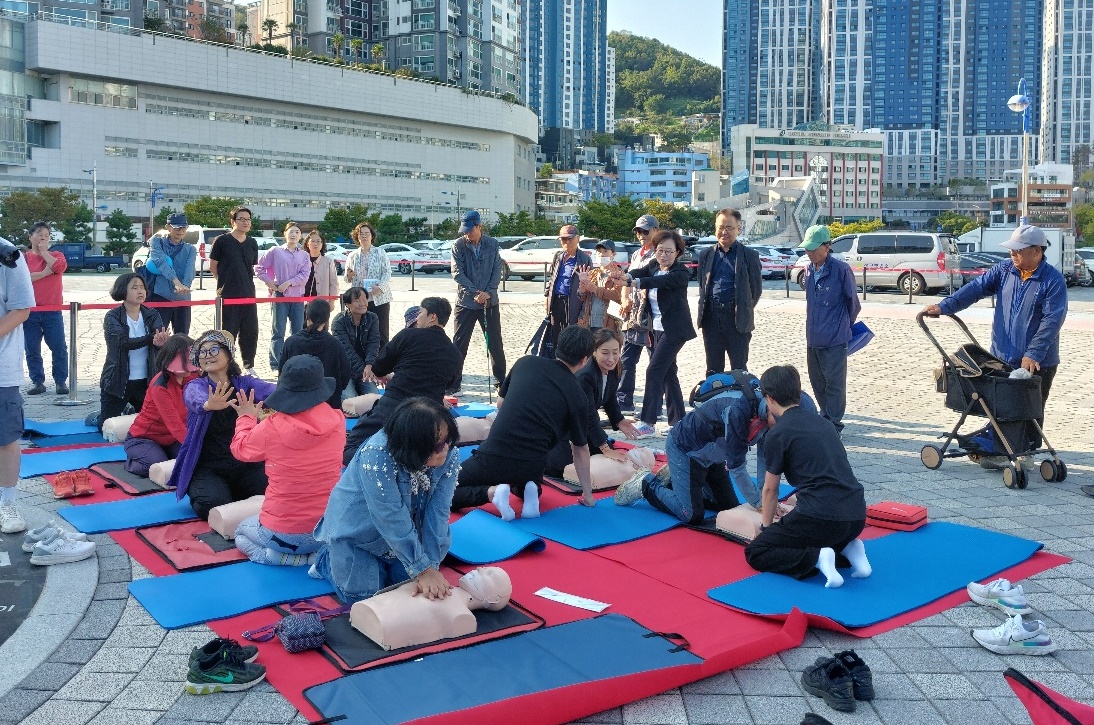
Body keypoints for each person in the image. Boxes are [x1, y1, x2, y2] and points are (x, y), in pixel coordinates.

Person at [925, 224, 1068, 467]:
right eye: (1011, 251)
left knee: (1030, 408)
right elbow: (974, 289)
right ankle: (1000, 450)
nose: (1012, 255)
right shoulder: (1004, 270)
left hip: (1038, 360)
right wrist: (944, 307)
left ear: (1036, 251)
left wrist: (1033, 353)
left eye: (1018, 251)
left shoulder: (1052, 280)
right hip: (1002, 355)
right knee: (1001, 405)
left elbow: (1052, 320)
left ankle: (1025, 452)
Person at [313, 397, 461, 604]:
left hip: (405, 530)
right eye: (437, 445)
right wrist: (422, 569)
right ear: (414, 446)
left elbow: (439, 512)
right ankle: (326, 558)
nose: (445, 449)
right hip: (358, 533)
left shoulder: (449, 452)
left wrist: (430, 567)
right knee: (363, 598)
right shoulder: (377, 454)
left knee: (411, 593)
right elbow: (389, 515)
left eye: (448, 441)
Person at [617, 371, 817, 523]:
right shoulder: (739, 410)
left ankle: (678, 483)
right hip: (687, 451)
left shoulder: (776, 410)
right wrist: (759, 502)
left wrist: (767, 498)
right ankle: (646, 484)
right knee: (691, 514)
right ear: (771, 401)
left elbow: (766, 459)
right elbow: (737, 467)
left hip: (713, 459)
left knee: (729, 508)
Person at [743, 365, 870, 589]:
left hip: (821, 518)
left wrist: (766, 529)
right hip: (856, 515)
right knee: (814, 532)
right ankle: (850, 551)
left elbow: (770, 490)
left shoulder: (778, 433)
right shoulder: (825, 424)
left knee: (757, 551)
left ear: (769, 399)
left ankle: (819, 559)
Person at [452, 326, 597, 518]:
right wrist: (587, 494)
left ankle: (492, 493)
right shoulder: (578, 397)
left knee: (445, 492)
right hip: (533, 464)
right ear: (584, 360)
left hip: (494, 455)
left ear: (558, 347)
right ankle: (530, 489)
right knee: (526, 478)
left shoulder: (526, 363)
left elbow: (500, 403)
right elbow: (580, 449)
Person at [229, 354, 345, 566]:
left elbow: (240, 449)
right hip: (326, 529)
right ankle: (314, 557)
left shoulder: (271, 426)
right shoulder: (338, 420)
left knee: (241, 533)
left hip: (282, 534)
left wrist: (245, 418)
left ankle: (278, 558)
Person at [168, 330, 273, 519]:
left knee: (273, 491)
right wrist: (209, 405)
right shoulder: (197, 386)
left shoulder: (245, 384)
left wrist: (297, 392)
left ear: (229, 354)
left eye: (214, 349)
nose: (208, 355)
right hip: (209, 467)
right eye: (203, 352)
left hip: (245, 464)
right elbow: (194, 399)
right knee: (214, 503)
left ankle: (237, 493)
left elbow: (272, 392)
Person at [343, 297, 462, 464]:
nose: (418, 317)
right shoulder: (454, 353)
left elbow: (379, 367)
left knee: (352, 448)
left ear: (432, 317)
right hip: (429, 415)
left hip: (394, 405)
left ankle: (382, 466)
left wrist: (391, 374)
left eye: (420, 312)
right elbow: (451, 385)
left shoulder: (409, 335)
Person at [612, 229, 696, 434]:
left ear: (677, 252)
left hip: (675, 330)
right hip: (655, 328)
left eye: (669, 251)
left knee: (654, 369)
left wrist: (634, 282)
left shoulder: (681, 272)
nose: (664, 255)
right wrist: (627, 275)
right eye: (660, 251)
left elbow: (660, 282)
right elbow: (640, 272)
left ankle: (648, 422)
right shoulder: (652, 266)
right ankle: (679, 422)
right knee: (668, 373)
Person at [544, 328, 638, 476]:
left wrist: (618, 420)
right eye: (605, 353)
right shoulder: (585, 375)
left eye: (615, 352)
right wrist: (604, 448)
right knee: (560, 467)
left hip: (582, 426)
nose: (611, 358)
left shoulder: (615, 368)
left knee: (612, 460)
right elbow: (588, 415)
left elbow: (610, 397)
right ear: (594, 352)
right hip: (563, 426)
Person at [351, 567, 512, 650]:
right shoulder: (437, 585)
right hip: (368, 611)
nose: (479, 570)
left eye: (489, 575)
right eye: (485, 569)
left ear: (494, 599)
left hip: (380, 625)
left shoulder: (463, 616)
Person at [798, 224, 861, 435]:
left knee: (834, 384)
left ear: (827, 247)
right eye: (807, 248)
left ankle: (834, 424)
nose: (810, 253)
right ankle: (825, 417)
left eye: (814, 248)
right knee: (817, 381)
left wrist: (842, 326)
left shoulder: (841, 270)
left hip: (835, 337)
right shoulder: (807, 270)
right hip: (813, 336)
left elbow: (854, 304)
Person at [88, 273, 169, 430]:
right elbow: (122, 343)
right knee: (104, 428)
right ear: (122, 291)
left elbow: (159, 341)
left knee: (152, 427)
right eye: (134, 288)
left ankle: (130, 410)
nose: (140, 291)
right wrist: (150, 338)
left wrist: (161, 344)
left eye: (142, 288)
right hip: (117, 381)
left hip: (146, 380)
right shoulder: (113, 316)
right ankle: (97, 416)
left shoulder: (152, 314)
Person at [696, 208, 763, 374]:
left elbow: (755, 290)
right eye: (720, 227)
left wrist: (742, 306)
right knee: (713, 368)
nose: (724, 232)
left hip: (737, 318)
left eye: (729, 228)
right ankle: (714, 398)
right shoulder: (706, 255)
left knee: (739, 369)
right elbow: (702, 285)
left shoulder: (749, 255)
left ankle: (740, 399)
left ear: (738, 229)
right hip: (711, 317)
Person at [123, 334, 199, 476]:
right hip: (143, 438)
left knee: (191, 462)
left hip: (171, 440)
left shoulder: (193, 375)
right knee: (156, 465)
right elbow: (175, 426)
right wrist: (195, 446)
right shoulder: (160, 387)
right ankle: (131, 462)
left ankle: (166, 454)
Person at [449, 210, 506, 393]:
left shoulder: (493, 244)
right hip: (465, 302)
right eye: (464, 230)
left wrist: (488, 293)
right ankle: (453, 383)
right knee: (458, 344)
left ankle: (500, 382)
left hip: (489, 302)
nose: (467, 234)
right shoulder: (458, 245)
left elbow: (497, 270)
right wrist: (474, 292)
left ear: (479, 226)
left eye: (470, 229)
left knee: (495, 343)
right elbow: (457, 273)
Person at [0, 237, 34, 533]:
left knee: (6, 438)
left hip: (2, 368)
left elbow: (22, 309)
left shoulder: (8, 256)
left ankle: (7, 502)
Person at [617, 214, 660, 413]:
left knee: (656, 363)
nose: (641, 235)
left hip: (652, 316)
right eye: (638, 231)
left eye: (645, 231)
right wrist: (625, 298)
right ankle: (624, 400)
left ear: (655, 231)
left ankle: (655, 405)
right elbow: (627, 281)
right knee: (626, 359)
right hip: (633, 315)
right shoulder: (635, 255)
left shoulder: (660, 254)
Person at [209, 207, 260, 375]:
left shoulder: (252, 243)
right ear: (233, 221)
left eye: (248, 219)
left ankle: (249, 365)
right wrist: (224, 283)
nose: (245, 222)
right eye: (241, 219)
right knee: (227, 332)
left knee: (250, 332)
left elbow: (251, 266)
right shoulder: (222, 241)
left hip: (248, 294)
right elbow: (213, 266)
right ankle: (226, 365)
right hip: (228, 296)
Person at [255, 222, 311, 372]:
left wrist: (289, 283)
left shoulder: (304, 255)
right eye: (290, 231)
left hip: (297, 297)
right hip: (279, 296)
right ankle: (276, 364)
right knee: (278, 331)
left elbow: (305, 275)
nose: (293, 235)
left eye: (297, 232)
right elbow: (259, 268)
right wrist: (270, 283)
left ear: (301, 236)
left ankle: (296, 362)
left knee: (298, 332)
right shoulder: (275, 251)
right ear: (284, 234)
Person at [22, 221, 69, 396]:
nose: (43, 237)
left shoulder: (56, 254)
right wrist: (43, 274)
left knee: (58, 347)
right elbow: (24, 278)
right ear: (30, 236)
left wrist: (44, 253)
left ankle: (60, 381)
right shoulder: (23, 258)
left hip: (52, 309)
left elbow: (59, 268)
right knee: (32, 347)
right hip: (30, 310)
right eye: (39, 233)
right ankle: (37, 381)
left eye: (47, 235)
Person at [281, 299, 351, 410]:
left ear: (307, 316)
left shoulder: (291, 342)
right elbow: (345, 374)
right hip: (328, 405)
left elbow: (282, 374)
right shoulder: (335, 344)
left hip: (296, 405)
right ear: (327, 319)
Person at [543, 224, 592, 356]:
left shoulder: (584, 259)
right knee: (555, 336)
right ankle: (555, 364)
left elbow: (588, 290)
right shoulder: (558, 256)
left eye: (570, 238)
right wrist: (547, 299)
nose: (566, 242)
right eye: (563, 239)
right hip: (556, 301)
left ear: (578, 239)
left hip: (573, 303)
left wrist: (582, 314)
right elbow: (552, 279)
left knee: (570, 337)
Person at [146, 212, 197, 335]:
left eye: (184, 227)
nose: (181, 230)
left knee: (182, 337)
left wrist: (185, 286)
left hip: (183, 298)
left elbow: (190, 269)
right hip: (161, 295)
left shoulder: (190, 249)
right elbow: (161, 262)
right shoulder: (156, 242)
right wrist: (176, 282)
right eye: (177, 227)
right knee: (158, 336)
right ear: (168, 227)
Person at [344, 222, 393, 345]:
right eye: (361, 234)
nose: (364, 237)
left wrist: (380, 287)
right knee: (361, 332)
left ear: (372, 236)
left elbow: (387, 273)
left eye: (367, 234)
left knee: (381, 332)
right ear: (357, 237)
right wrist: (348, 276)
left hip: (379, 298)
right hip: (359, 300)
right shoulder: (352, 256)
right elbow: (346, 277)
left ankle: (382, 361)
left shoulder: (380, 252)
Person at [332, 287, 381, 398]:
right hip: (344, 370)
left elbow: (374, 343)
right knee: (349, 401)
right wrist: (365, 370)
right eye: (357, 300)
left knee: (374, 399)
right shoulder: (339, 322)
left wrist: (370, 365)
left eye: (364, 300)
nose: (362, 303)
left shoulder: (372, 318)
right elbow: (346, 351)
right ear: (347, 304)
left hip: (365, 369)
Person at [576, 240, 623, 331]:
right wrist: (582, 288)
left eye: (605, 251)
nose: (601, 255)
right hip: (590, 323)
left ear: (613, 254)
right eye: (599, 252)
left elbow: (617, 295)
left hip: (608, 324)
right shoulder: (592, 273)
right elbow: (582, 298)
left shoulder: (619, 274)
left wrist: (595, 289)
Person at [303, 229, 339, 299]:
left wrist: (332, 301)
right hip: (303, 301)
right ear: (307, 244)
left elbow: (334, 283)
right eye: (312, 241)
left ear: (322, 244)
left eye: (318, 241)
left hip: (322, 302)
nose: (315, 244)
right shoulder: (301, 261)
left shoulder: (328, 262)